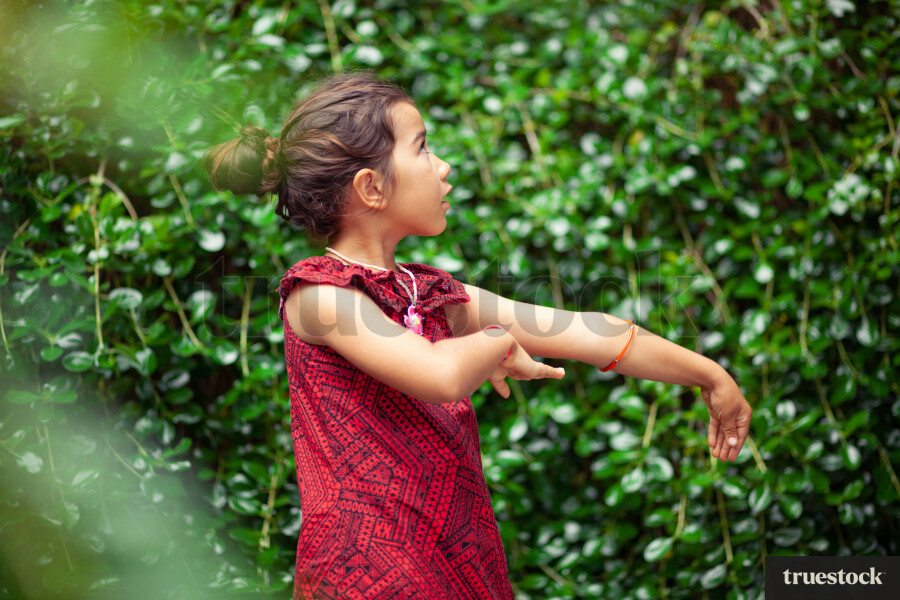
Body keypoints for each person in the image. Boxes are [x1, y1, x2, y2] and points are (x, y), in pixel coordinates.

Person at [204, 71, 752, 600]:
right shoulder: (319, 296)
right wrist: (496, 341)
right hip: (367, 579)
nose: (443, 168)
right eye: (421, 149)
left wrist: (710, 376)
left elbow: (586, 330)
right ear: (371, 186)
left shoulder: (427, 291)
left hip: (457, 567)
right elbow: (438, 374)